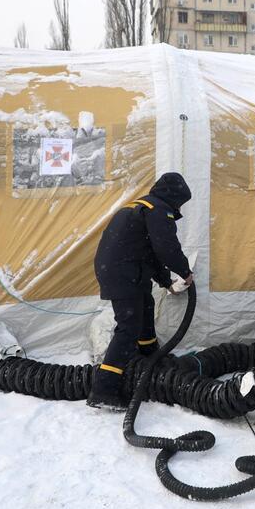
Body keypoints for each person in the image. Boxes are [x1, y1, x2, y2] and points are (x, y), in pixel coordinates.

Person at [87, 172, 194, 410]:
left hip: (126, 270)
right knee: (128, 328)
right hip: (124, 273)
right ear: (174, 197)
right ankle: (103, 390)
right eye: (180, 202)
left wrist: (166, 282)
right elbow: (166, 248)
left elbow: (150, 253)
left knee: (145, 311)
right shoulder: (158, 210)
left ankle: (150, 359)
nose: (179, 207)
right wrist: (184, 271)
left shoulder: (142, 206)